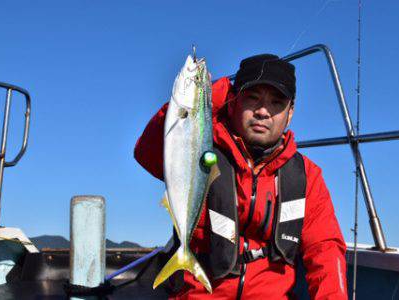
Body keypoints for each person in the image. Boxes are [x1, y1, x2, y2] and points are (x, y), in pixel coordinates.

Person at [134, 54, 348, 299]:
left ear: (290, 114)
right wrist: (204, 94)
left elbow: (325, 248)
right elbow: (146, 153)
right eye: (252, 98)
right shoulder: (198, 148)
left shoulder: (306, 175)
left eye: (277, 103)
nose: (263, 112)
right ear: (233, 102)